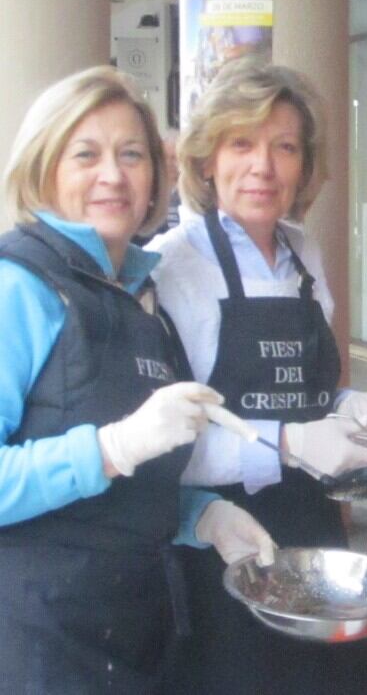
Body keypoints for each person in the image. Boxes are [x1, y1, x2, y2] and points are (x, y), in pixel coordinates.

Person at [0, 66, 274, 693]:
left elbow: (118, 489)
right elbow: (100, 458)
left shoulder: (138, 297)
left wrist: (198, 516)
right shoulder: (18, 287)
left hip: (135, 633)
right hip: (37, 643)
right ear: (44, 170)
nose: (113, 176)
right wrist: (111, 447)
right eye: (86, 155)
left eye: (131, 155)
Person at [149, 58, 367, 693]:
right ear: (206, 161)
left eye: (285, 147)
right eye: (242, 143)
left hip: (312, 531)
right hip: (220, 542)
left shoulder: (302, 252)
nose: (264, 165)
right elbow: (167, 448)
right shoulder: (171, 268)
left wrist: (343, 403)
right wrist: (286, 442)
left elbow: (302, 388)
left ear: (305, 167)